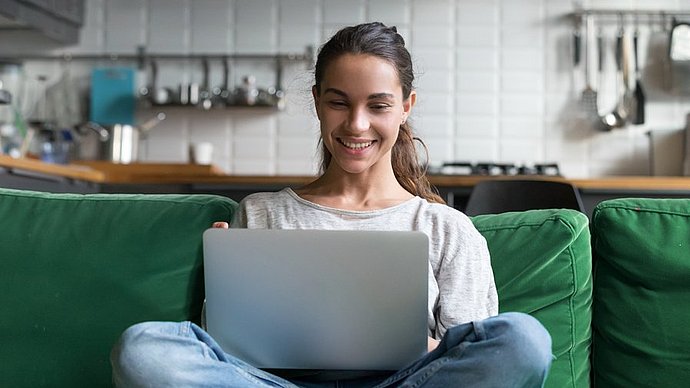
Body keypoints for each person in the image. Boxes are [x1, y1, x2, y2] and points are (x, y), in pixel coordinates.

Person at [110, 22, 552, 387]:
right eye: (338, 102)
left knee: (523, 339)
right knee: (143, 348)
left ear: (405, 107)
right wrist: (224, 285)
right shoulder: (261, 213)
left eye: (378, 105)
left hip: (403, 383)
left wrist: (412, 345)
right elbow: (228, 354)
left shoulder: (446, 228)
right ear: (318, 103)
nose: (357, 124)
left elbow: (471, 353)